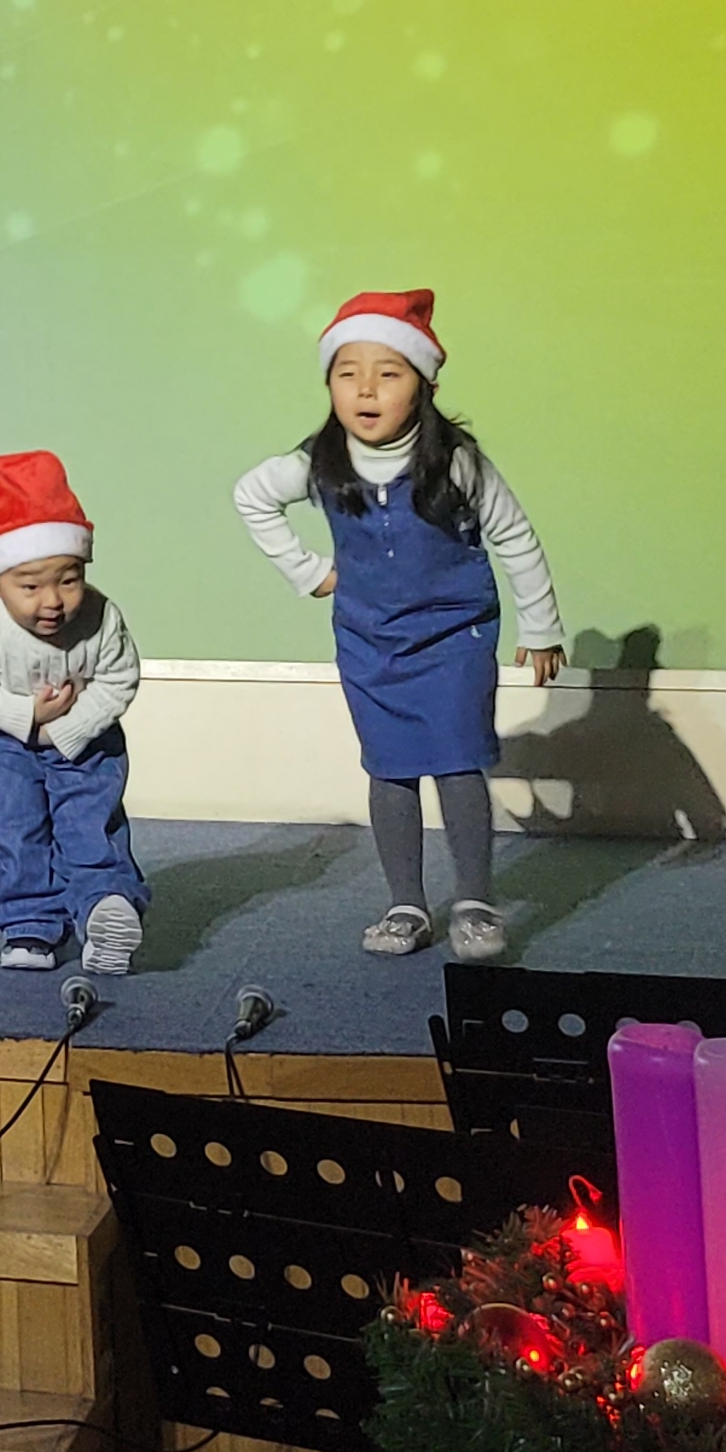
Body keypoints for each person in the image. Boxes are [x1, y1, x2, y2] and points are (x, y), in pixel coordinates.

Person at [232, 289, 564, 964]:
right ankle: (406, 904)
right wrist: (309, 571)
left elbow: (515, 537)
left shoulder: (458, 461)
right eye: (347, 373)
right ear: (328, 384)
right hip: (369, 641)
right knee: (390, 766)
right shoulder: (318, 463)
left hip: (454, 637)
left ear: (425, 385)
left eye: (388, 373)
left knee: (457, 758)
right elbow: (252, 496)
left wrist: (541, 628)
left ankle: (474, 901)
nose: (366, 389)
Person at [0, 451, 146, 973]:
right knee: (13, 826)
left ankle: (105, 905)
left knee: (90, 821)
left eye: (68, 580)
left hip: (85, 739)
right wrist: (25, 714)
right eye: (29, 586)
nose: (52, 600)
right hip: (0, 742)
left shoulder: (101, 617)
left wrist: (67, 729)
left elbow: (119, 678)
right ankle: (30, 923)